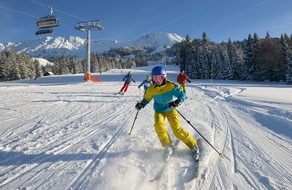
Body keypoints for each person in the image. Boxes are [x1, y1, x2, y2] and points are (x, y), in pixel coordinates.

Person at [135, 66, 199, 160]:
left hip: (170, 110)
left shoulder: (170, 86)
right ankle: (168, 146)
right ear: (152, 78)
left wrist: (177, 102)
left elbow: (182, 95)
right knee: (159, 126)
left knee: (177, 130)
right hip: (159, 111)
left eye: (160, 77)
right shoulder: (151, 89)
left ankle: (193, 146)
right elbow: (147, 99)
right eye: (155, 78)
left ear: (164, 77)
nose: (158, 80)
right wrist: (141, 104)